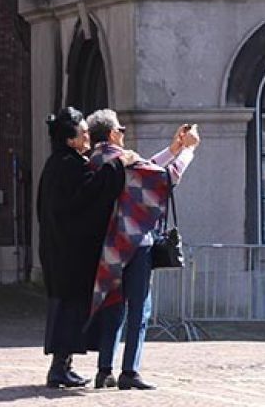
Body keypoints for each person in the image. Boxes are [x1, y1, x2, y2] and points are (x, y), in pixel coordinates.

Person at [86, 112, 200, 390]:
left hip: (107, 246)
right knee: (139, 307)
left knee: (113, 304)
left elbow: (144, 169)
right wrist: (189, 151)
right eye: (121, 129)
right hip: (136, 243)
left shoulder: (95, 160)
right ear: (112, 133)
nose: (123, 133)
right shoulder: (123, 158)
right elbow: (164, 178)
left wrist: (173, 149)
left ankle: (104, 370)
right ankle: (129, 371)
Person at [37, 107, 126, 389]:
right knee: (69, 308)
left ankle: (63, 366)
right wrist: (113, 169)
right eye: (83, 132)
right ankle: (60, 368)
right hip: (69, 255)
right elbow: (88, 196)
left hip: (60, 252)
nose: (88, 137)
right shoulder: (68, 166)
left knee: (66, 307)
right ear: (69, 138)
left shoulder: (58, 164)